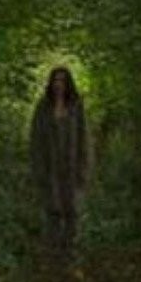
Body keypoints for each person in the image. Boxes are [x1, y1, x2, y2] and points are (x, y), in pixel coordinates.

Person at [30, 66, 90, 254]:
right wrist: (37, 166)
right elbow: (35, 139)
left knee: (72, 208)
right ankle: (53, 249)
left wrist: (84, 166)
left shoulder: (76, 105)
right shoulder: (43, 107)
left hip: (71, 165)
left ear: (68, 83)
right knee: (52, 207)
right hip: (50, 165)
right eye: (56, 80)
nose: (59, 84)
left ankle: (70, 248)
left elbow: (83, 137)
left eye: (62, 80)